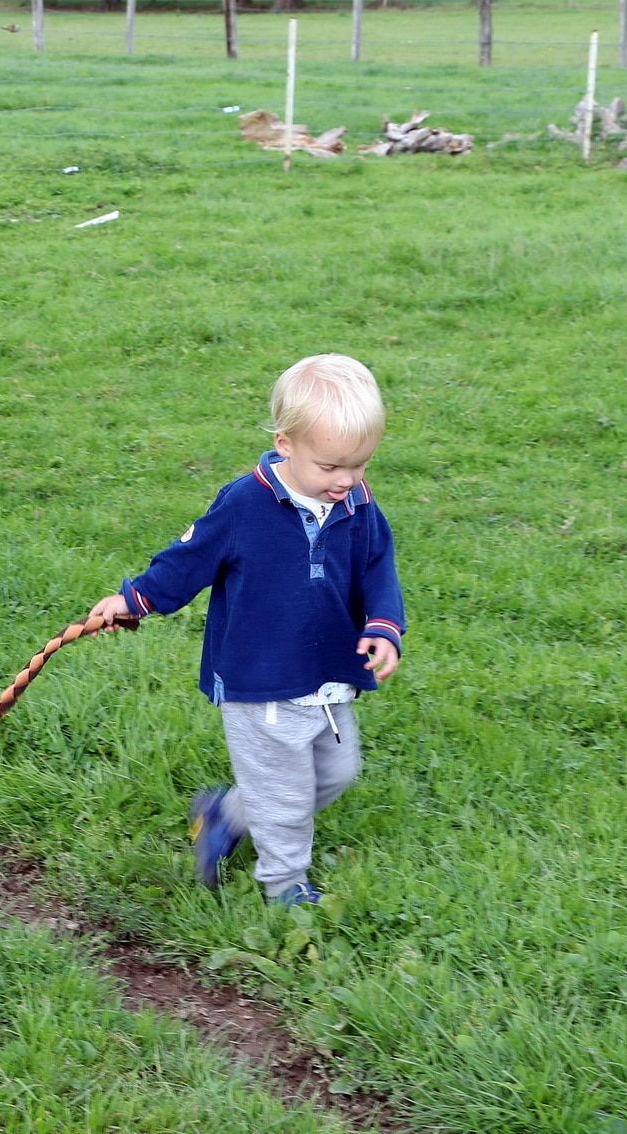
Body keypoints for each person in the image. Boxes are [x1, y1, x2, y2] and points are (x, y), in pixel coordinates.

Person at [93, 354, 405, 906]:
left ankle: (225, 813)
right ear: (285, 444)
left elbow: (378, 562)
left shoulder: (357, 502)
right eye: (331, 466)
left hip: (328, 671)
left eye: (359, 465)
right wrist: (133, 600)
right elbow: (187, 561)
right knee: (285, 796)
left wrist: (383, 625)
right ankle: (283, 885)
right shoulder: (244, 505)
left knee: (335, 773)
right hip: (261, 677)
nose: (346, 481)